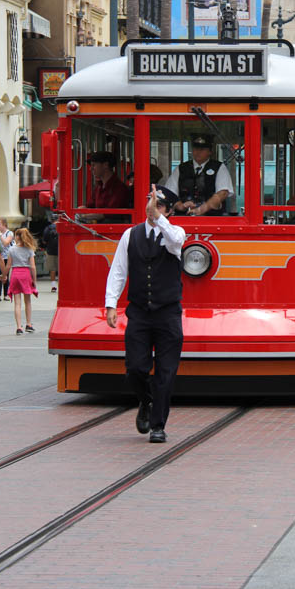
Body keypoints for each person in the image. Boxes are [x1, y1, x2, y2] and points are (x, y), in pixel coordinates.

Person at [105, 185, 186, 443]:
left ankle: (158, 425)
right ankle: (146, 401)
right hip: (139, 311)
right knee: (135, 369)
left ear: (169, 210)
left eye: (159, 206)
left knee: (166, 372)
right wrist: (110, 304)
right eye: (150, 205)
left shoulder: (175, 233)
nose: (153, 209)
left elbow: (176, 241)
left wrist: (158, 219)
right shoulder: (131, 235)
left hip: (168, 313)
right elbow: (118, 270)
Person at [166, 135, 233, 216]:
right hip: (184, 217)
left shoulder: (219, 167)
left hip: (212, 218)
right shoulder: (181, 168)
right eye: (196, 149)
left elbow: (223, 193)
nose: (198, 152)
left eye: (202, 149)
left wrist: (202, 209)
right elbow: (169, 193)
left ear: (210, 152)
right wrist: (180, 206)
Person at [4, 227, 38, 335]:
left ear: (17, 236)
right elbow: (32, 266)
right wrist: (34, 280)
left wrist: (3, 275)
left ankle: (19, 327)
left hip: (15, 274)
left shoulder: (12, 249)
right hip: (26, 274)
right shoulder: (29, 249)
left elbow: (8, 265)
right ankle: (29, 324)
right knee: (27, 301)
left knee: (17, 303)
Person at [0, 218, 13, 301]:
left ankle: (5, 294)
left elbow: (5, 243)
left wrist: (0, 235)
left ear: (4, 225)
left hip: (7, 257)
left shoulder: (9, 233)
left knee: (5, 275)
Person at [41, 215, 59, 292]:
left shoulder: (47, 228)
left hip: (50, 251)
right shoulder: (62, 227)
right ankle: (63, 286)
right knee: (62, 270)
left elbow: (44, 241)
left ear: (51, 220)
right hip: (61, 251)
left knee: (52, 270)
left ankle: (53, 286)